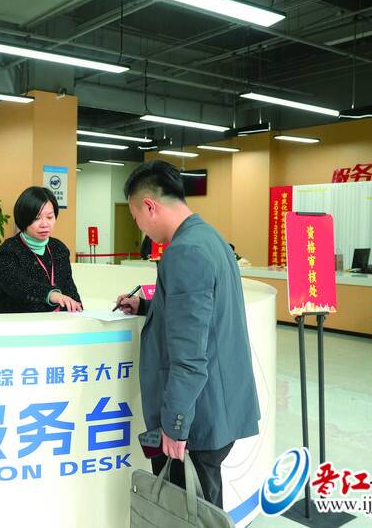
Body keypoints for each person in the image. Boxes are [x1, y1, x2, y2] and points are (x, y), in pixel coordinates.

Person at [115, 160, 260, 509]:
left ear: (149, 206)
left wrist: (175, 425)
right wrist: (146, 305)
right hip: (217, 407)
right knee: (204, 509)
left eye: (136, 218)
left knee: (188, 513)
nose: (140, 228)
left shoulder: (184, 252)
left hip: (196, 416)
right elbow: (202, 311)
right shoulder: (209, 237)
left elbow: (190, 355)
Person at [0, 186, 82, 314]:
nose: (45, 224)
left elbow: (69, 287)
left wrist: (78, 309)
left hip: (53, 322)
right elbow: (17, 285)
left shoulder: (59, 249)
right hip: (14, 322)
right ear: (23, 218)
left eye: (50, 217)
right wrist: (51, 295)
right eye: (36, 218)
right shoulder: (8, 251)